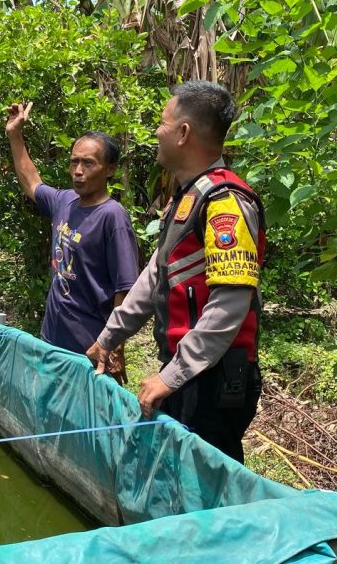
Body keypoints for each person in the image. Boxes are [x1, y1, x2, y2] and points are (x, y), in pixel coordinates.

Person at [86, 81, 266, 464]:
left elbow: (230, 304)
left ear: (183, 133)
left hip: (213, 378)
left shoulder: (226, 204)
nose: (156, 131)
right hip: (190, 374)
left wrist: (173, 375)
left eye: (162, 123)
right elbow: (155, 277)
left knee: (205, 489)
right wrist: (109, 337)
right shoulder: (187, 199)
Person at [5, 102, 140, 374]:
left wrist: (113, 347)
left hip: (88, 349)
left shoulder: (113, 217)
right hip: (52, 338)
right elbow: (31, 181)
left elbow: (124, 291)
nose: (78, 170)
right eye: (74, 161)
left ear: (110, 169)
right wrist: (14, 134)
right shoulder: (65, 201)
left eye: (88, 163)